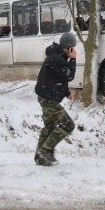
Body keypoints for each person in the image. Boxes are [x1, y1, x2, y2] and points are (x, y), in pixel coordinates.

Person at [34, 32, 77, 166]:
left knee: (50, 126)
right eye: (73, 48)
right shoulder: (57, 59)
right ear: (69, 48)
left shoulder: (57, 57)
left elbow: (59, 79)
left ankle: (40, 156)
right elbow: (68, 76)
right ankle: (46, 150)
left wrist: (66, 92)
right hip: (48, 99)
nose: (74, 51)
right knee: (68, 124)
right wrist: (73, 59)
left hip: (46, 96)